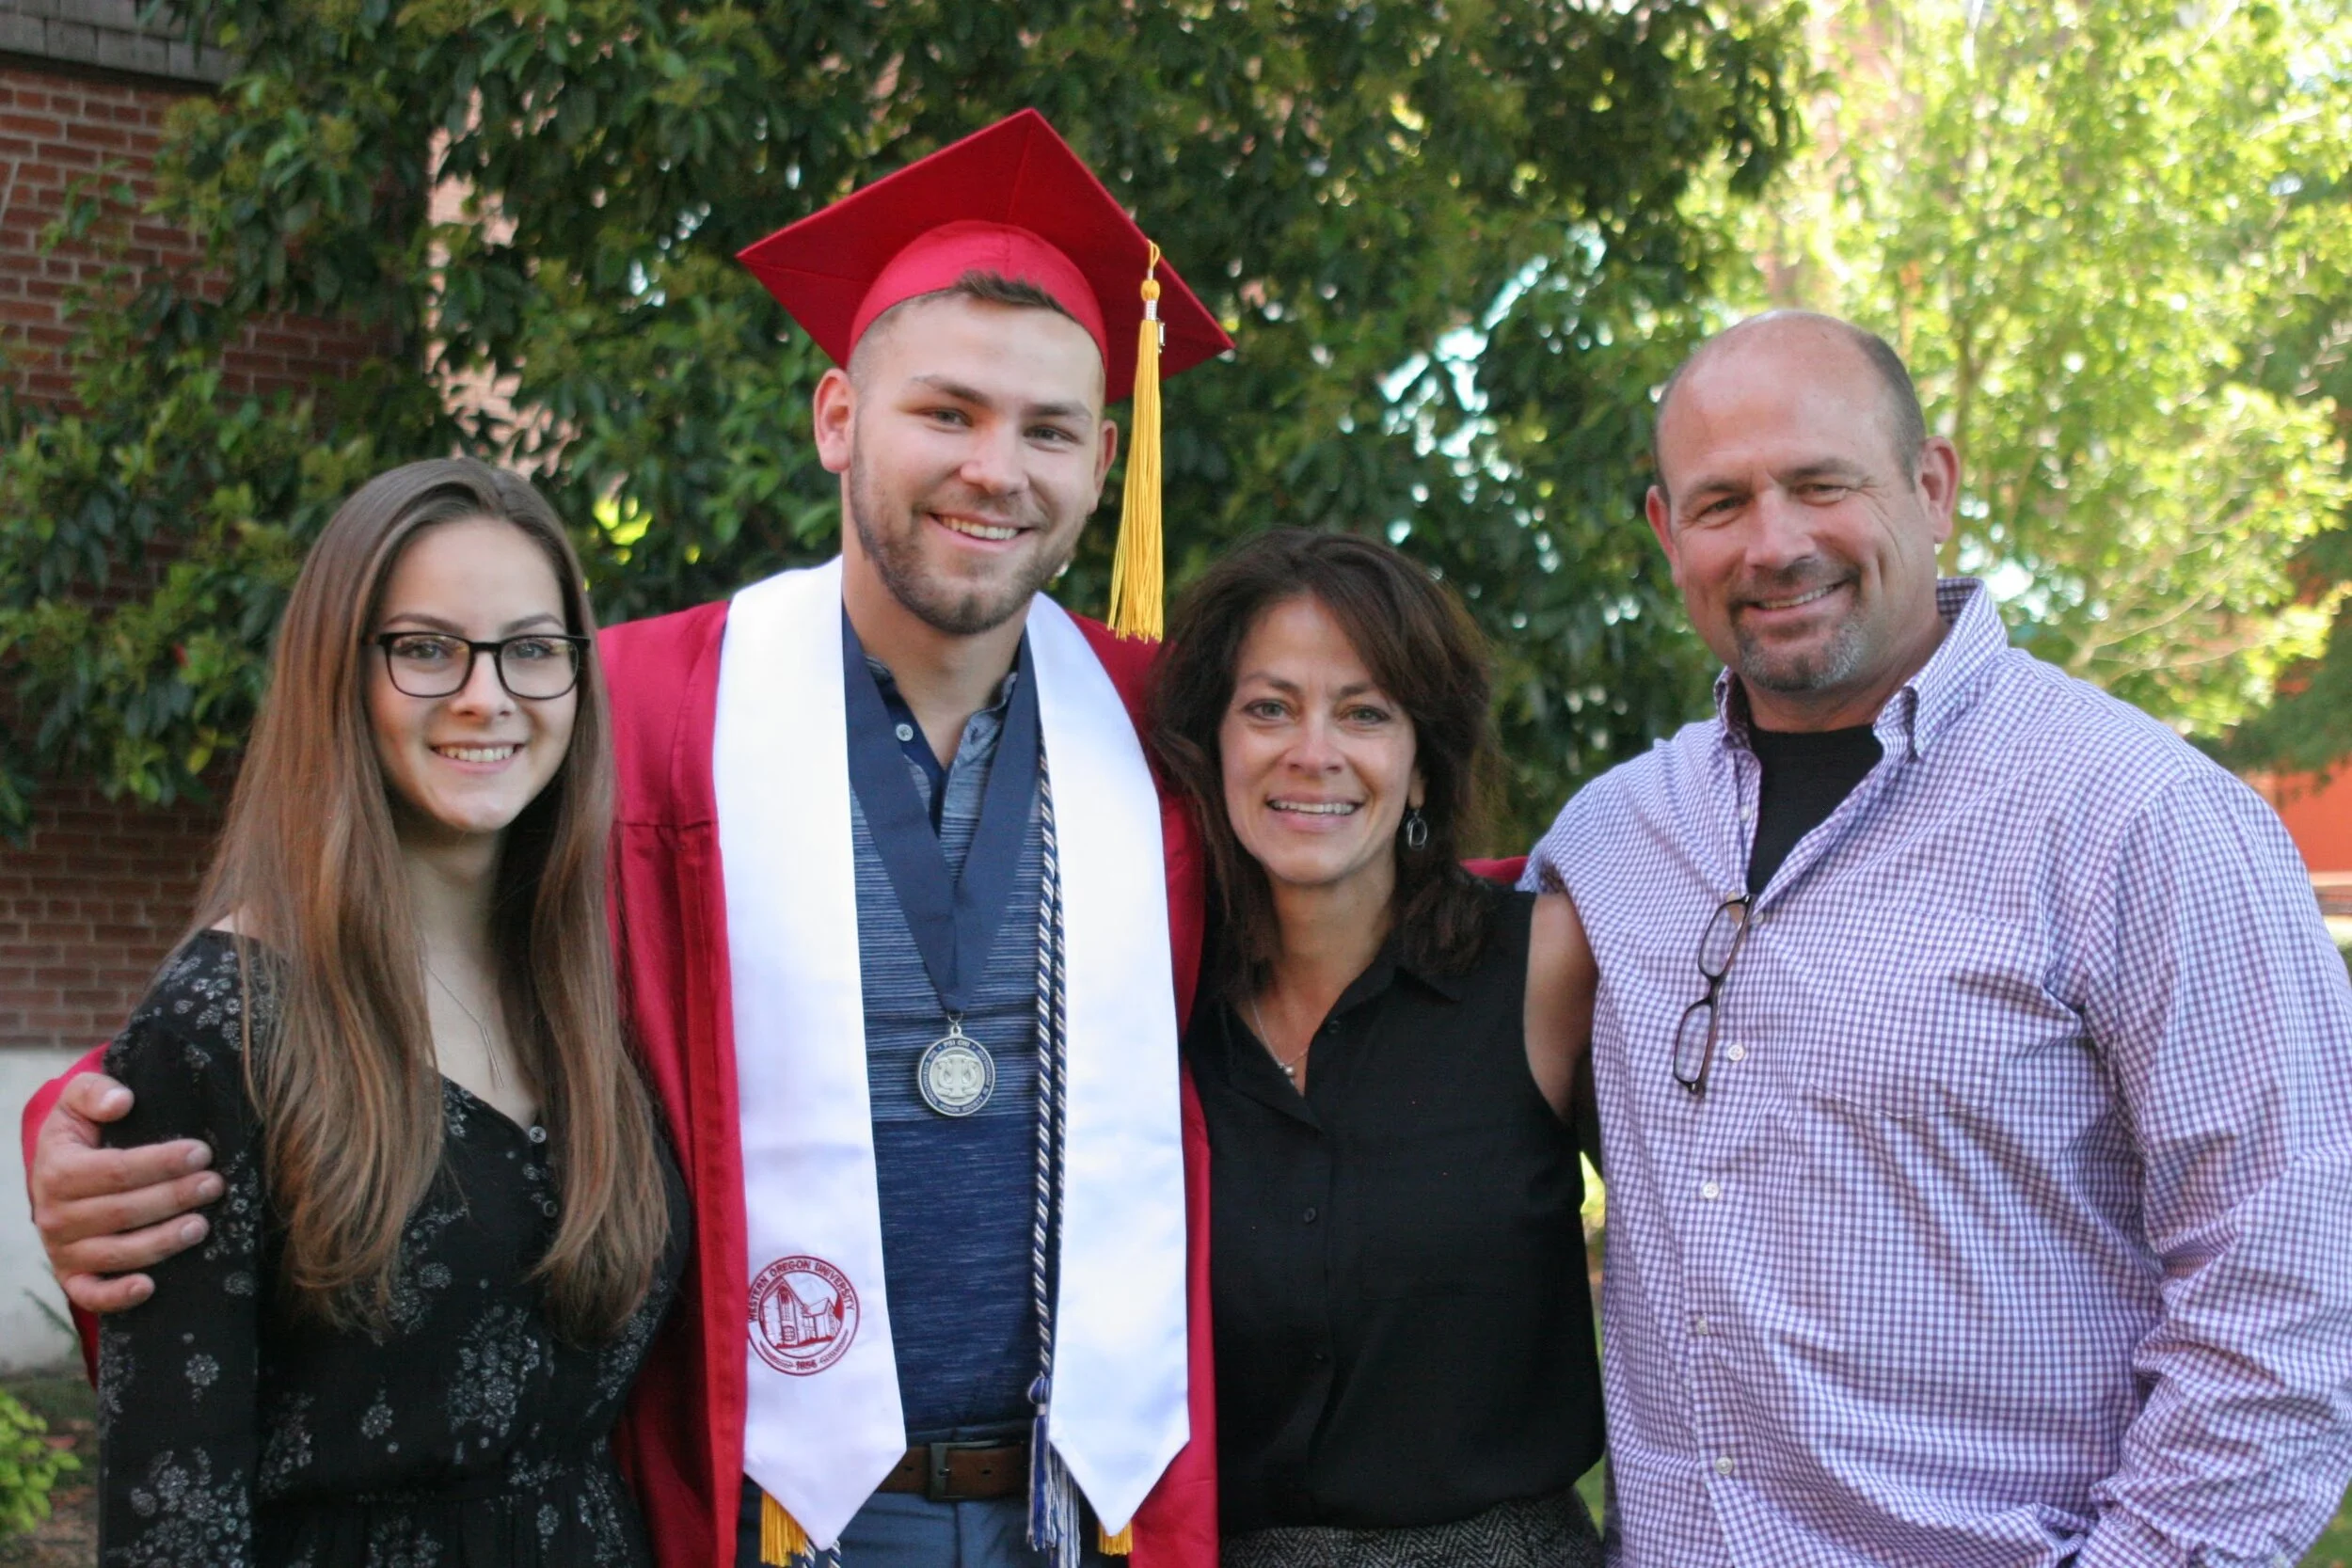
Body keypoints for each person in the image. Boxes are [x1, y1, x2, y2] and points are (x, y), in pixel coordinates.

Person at [27, 111, 1232, 1568]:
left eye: (1048, 429)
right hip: (751, 1502)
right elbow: (374, 918)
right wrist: (86, 1118)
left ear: (1108, 456)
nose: (998, 466)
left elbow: (1382, 949)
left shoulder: (1175, 729)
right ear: (838, 417)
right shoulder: (642, 702)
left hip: (1089, 1504)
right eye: (948, 412)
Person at [1522, 309, 2352, 1565]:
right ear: (1665, 532)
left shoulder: (2145, 821)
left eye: (1821, 482)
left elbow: (2288, 1291)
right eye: (1723, 501)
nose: (1777, 541)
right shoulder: (1611, 842)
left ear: (1933, 485)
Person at [90, 458, 688, 1565]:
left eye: (531, 648)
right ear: (340, 675)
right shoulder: (224, 1025)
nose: (485, 693)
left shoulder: (595, 988)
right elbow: (173, 1510)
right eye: (424, 648)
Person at [1150, 531, 1606, 1567]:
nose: (1312, 751)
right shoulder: (1157, 1003)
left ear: (1421, 764)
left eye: (1364, 712)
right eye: (1268, 707)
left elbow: (1702, 1257)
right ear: (1210, 742)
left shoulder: (1542, 969)